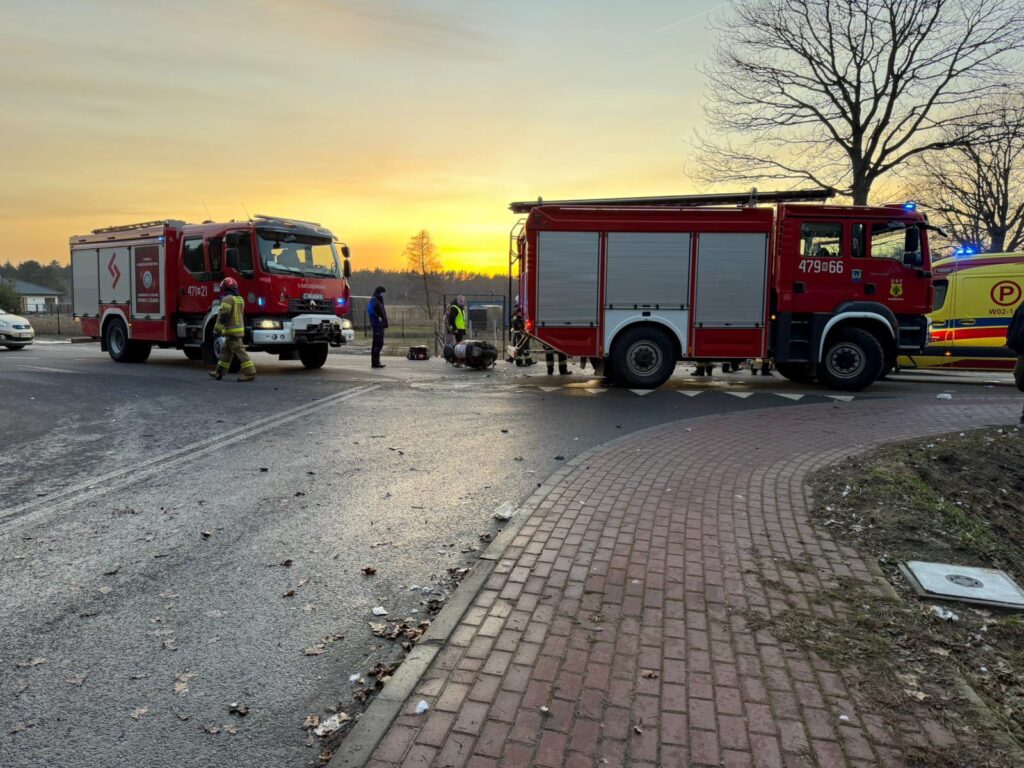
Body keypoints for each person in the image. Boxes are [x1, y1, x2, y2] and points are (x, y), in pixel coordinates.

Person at [209, 277, 255, 382]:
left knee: (240, 352)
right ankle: (219, 372)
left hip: (231, 330)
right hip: (237, 330)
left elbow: (223, 315)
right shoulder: (240, 299)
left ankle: (250, 372)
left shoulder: (227, 299)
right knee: (226, 352)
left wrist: (217, 330)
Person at [508, 302, 536, 366]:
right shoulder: (518, 316)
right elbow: (519, 325)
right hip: (521, 334)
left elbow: (514, 322)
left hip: (518, 334)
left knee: (519, 347)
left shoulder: (515, 316)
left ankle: (515, 360)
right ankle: (523, 362)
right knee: (522, 348)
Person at [367, 286, 388, 369]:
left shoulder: (378, 300)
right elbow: (370, 310)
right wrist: (377, 317)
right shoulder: (374, 300)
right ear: (379, 292)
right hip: (377, 325)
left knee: (377, 343)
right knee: (378, 343)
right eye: (383, 292)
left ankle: (376, 361)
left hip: (380, 325)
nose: (384, 294)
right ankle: (375, 362)